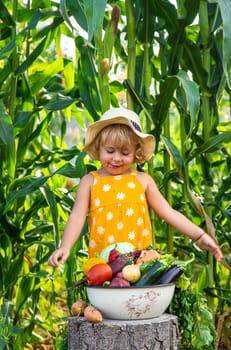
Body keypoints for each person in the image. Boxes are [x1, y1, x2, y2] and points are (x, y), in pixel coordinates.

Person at [48, 108, 223, 267]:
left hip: (140, 263)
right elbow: (77, 216)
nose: (116, 158)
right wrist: (65, 247)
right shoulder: (89, 181)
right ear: (98, 148)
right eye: (110, 151)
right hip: (103, 265)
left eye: (125, 153)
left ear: (136, 153)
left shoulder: (143, 180)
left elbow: (168, 213)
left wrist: (199, 236)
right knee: (105, 302)